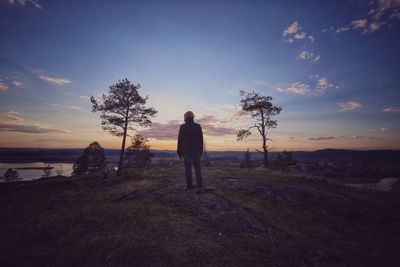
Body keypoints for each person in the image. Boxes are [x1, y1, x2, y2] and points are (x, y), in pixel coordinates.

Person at [177, 111, 204, 190]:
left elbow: (180, 140)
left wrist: (179, 152)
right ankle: (200, 185)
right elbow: (201, 140)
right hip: (196, 151)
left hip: (186, 151)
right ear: (193, 117)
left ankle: (189, 186)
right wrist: (201, 151)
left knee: (188, 169)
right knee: (198, 169)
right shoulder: (198, 126)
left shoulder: (182, 127)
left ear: (185, 117)